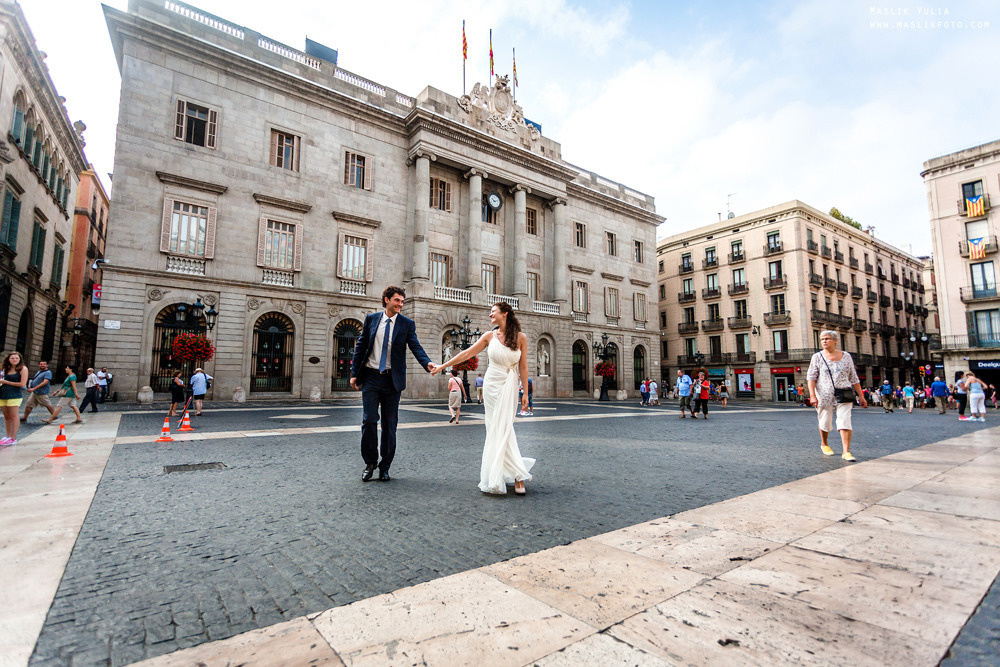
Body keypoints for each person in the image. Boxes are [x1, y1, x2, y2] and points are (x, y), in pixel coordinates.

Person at [432, 301, 533, 495]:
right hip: (492, 385)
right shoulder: (489, 336)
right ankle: (516, 475)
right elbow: (467, 353)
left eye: (493, 312)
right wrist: (443, 366)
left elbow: (523, 367)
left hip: (509, 385)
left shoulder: (521, 338)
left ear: (504, 313)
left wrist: (525, 393)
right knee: (496, 428)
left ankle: (517, 473)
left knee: (505, 426)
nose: (490, 315)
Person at [350, 285, 434, 482]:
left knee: (390, 425)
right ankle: (370, 463)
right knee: (369, 420)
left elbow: (415, 346)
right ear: (386, 300)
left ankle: (385, 466)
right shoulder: (372, 320)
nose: (400, 304)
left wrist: (426, 362)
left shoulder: (406, 324)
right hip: (371, 376)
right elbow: (361, 347)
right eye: (397, 300)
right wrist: (354, 374)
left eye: (402, 301)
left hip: (392, 380)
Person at [807, 330, 867, 462]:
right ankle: (824, 444)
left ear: (835, 341)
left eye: (827, 339)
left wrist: (861, 396)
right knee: (825, 422)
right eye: (822, 339)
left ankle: (846, 451)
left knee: (845, 421)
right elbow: (811, 377)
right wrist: (812, 395)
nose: (824, 341)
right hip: (823, 395)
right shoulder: (817, 357)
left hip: (844, 393)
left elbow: (853, 377)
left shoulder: (846, 356)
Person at [0, 352, 28, 446]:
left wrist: (5, 382)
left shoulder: (23, 369)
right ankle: (8, 436)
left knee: (13, 416)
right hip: (3, 394)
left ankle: (13, 437)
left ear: (20, 359)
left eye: (16, 358)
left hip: (14, 395)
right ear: (8, 359)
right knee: (6, 417)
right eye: (12, 358)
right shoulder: (5, 368)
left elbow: (22, 384)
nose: (14, 360)